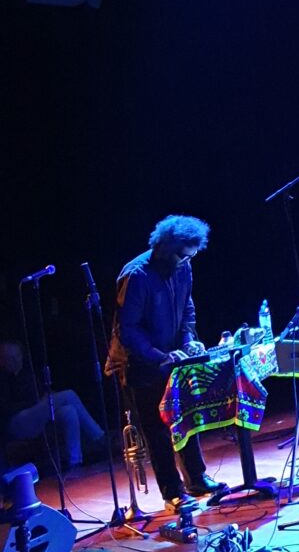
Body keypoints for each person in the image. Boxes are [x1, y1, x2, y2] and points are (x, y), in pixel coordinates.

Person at [105, 215, 224, 510]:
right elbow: (127, 330)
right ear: (165, 248)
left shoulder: (183, 266)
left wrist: (187, 340)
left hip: (171, 357)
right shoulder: (136, 276)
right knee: (158, 429)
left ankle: (196, 479)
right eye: (183, 256)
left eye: (191, 256)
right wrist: (160, 357)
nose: (187, 261)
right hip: (139, 364)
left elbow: (187, 308)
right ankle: (172, 491)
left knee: (186, 417)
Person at [0, 339, 106, 471]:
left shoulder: (28, 373)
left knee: (69, 411)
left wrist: (48, 398)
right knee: (68, 395)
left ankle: (75, 463)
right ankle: (100, 437)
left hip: (36, 417)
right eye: (10, 358)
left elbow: (43, 393)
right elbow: (5, 409)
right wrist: (38, 403)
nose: (15, 361)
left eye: (17, 356)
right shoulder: (3, 380)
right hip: (16, 422)